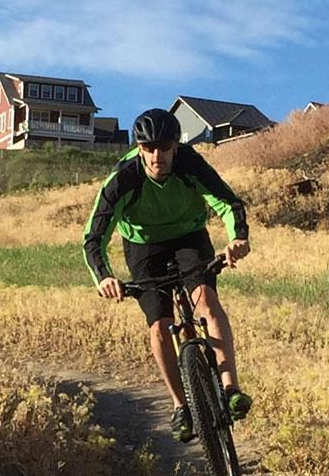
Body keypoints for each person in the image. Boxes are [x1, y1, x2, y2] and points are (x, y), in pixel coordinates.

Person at [83, 108, 253, 442]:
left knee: (206, 303)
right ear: (139, 147)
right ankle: (180, 406)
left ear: (176, 145)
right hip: (144, 247)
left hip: (189, 237)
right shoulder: (123, 178)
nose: (156, 155)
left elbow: (226, 203)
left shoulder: (190, 164)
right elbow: (94, 237)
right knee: (160, 326)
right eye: (148, 148)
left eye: (164, 147)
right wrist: (104, 276)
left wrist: (237, 239)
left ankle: (231, 388)